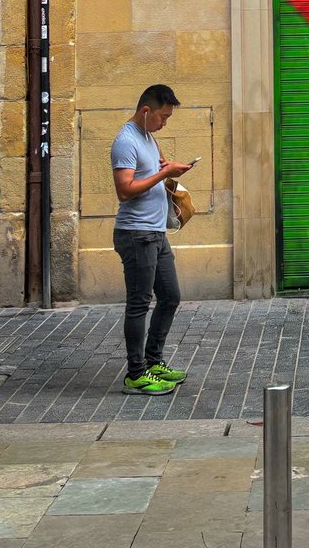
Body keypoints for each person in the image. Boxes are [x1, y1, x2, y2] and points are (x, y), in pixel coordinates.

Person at [111, 84, 194, 395]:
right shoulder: (126, 141)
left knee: (170, 296)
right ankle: (136, 374)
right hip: (136, 234)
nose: (164, 123)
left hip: (156, 231)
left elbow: (157, 173)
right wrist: (165, 173)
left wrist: (172, 171)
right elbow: (125, 190)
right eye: (162, 117)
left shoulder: (148, 138)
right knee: (139, 303)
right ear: (146, 111)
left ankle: (154, 361)